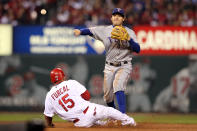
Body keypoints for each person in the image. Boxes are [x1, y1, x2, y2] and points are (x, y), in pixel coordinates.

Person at [73, 8, 140, 113]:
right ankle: (114, 115)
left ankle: (123, 117)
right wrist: (80, 31)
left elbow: (138, 49)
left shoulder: (130, 32)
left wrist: (129, 40)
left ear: (123, 19)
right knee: (107, 97)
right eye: (114, 15)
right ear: (111, 18)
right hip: (109, 66)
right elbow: (90, 30)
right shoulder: (105, 30)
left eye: (119, 15)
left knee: (118, 87)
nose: (116, 17)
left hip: (124, 65)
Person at [44, 68, 136, 127]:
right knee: (109, 111)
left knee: (100, 125)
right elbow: (87, 96)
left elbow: (48, 115)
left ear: (52, 80)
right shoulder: (71, 83)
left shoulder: (49, 95)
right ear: (63, 77)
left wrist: (49, 125)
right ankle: (129, 121)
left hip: (80, 123)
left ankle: (103, 124)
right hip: (90, 111)